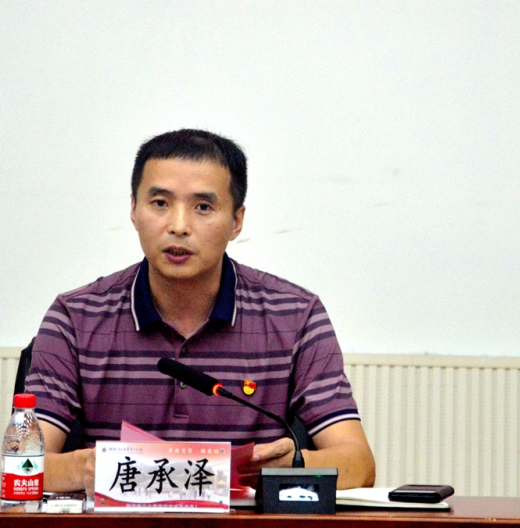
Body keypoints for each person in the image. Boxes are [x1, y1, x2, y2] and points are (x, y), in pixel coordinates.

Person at [25, 129, 376, 495]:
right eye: (160, 203)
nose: (178, 226)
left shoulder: (295, 316)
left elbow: (360, 464)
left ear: (236, 221)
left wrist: (294, 466)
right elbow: (23, 466)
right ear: (133, 210)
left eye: (203, 207)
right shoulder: (76, 317)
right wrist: (86, 468)